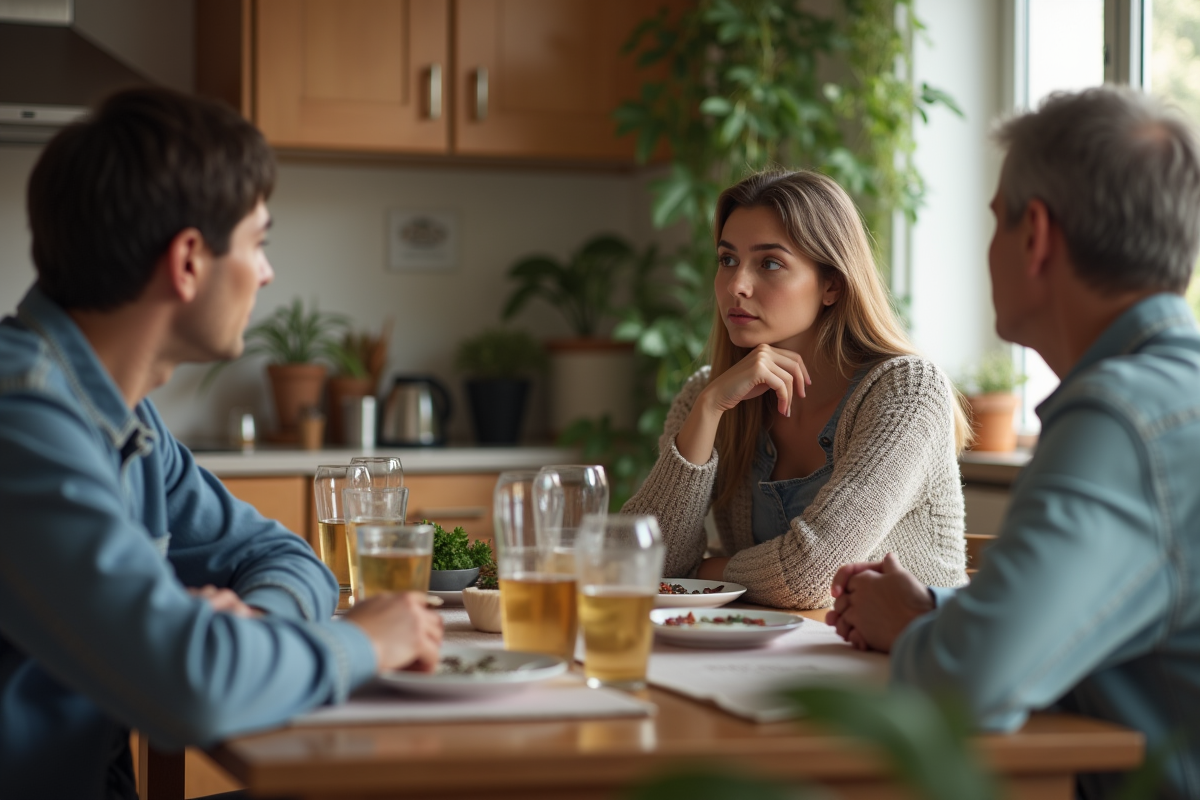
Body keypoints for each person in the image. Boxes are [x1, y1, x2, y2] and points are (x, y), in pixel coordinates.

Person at [0, 87, 444, 800]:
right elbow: (189, 687)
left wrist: (254, 630)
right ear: (188, 262)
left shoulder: (128, 423)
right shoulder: (22, 419)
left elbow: (282, 556)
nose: (267, 273)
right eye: (258, 243)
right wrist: (369, 640)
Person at [826, 86, 1200, 799]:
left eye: (997, 220)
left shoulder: (1119, 421)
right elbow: (1109, 613)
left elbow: (969, 685)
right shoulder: (1172, 400)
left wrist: (918, 633)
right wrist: (932, 612)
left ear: (1036, 236)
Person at [623, 170, 970, 609]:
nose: (736, 285)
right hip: (764, 644)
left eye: (769, 263)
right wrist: (709, 408)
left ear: (832, 284)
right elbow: (639, 562)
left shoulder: (907, 393)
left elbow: (813, 574)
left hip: (904, 649)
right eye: (727, 259)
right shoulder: (707, 395)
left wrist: (698, 574)